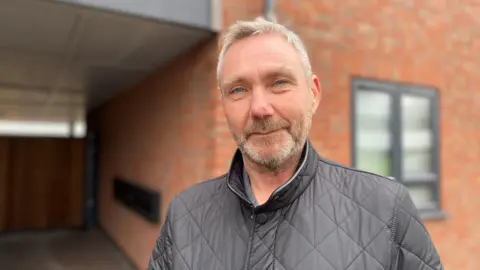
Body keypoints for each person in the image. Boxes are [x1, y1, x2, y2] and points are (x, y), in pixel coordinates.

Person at [148, 18, 443, 270]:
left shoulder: (386, 210)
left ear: (313, 94)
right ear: (224, 104)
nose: (260, 108)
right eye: (238, 89)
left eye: (279, 82)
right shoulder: (184, 215)